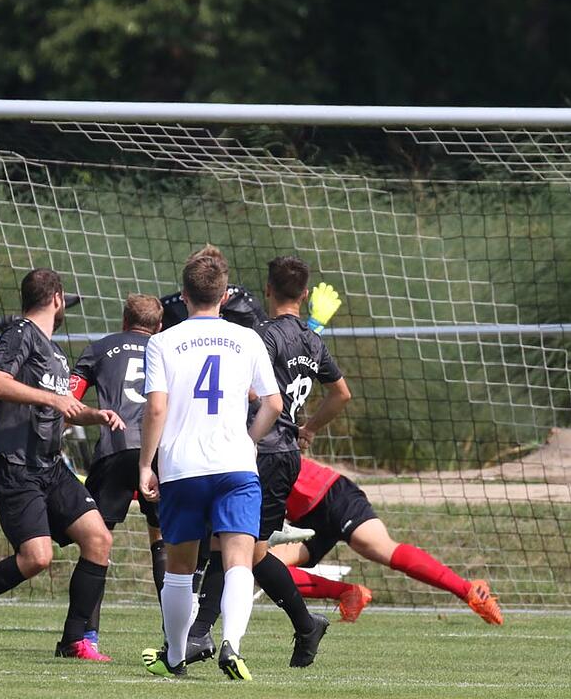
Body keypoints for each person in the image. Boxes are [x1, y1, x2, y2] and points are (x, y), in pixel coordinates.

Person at [0, 268, 125, 662]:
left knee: (98, 539)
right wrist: (52, 400)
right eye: (64, 302)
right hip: (16, 464)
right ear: (56, 299)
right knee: (37, 558)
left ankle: (74, 641)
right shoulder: (20, 333)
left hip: (50, 466)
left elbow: (62, 411)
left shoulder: (53, 352)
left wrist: (94, 414)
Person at [185, 256, 347, 668]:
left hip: (264, 450)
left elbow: (258, 393)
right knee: (246, 549)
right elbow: (341, 393)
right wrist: (307, 427)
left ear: (268, 290)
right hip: (286, 453)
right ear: (305, 295)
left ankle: (199, 634)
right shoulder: (313, 339)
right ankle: (306, 624)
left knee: (231, 544)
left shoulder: (262, 336)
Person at [138, 245, 282, 681]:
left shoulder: (162, 342)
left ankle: (176, 656)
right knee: (239, 560)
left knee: (180, 567)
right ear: (223, 296)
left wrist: (146, 464)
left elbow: (156, 409)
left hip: (183, 466)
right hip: (236, 464)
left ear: (183, 296)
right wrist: (249, 439)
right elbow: (272, 403)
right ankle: (232, 646)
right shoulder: (248, 338)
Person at [272, 456, 504, 625]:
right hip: (303, 516)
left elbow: (340, 396)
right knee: (265, 566)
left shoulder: (255, 430)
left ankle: (470, 591)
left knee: (381, 548)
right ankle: (347, 593)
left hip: (330, 494)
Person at [69, 294, 165, 650]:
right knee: (163, 538)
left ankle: (86, 638)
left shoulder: (98, 348)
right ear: (159, 327)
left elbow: (70, 401)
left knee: (97, 541)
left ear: (124, 321)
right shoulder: (167, 349)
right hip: (158, 454)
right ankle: (175, 635)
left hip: (114, 449)